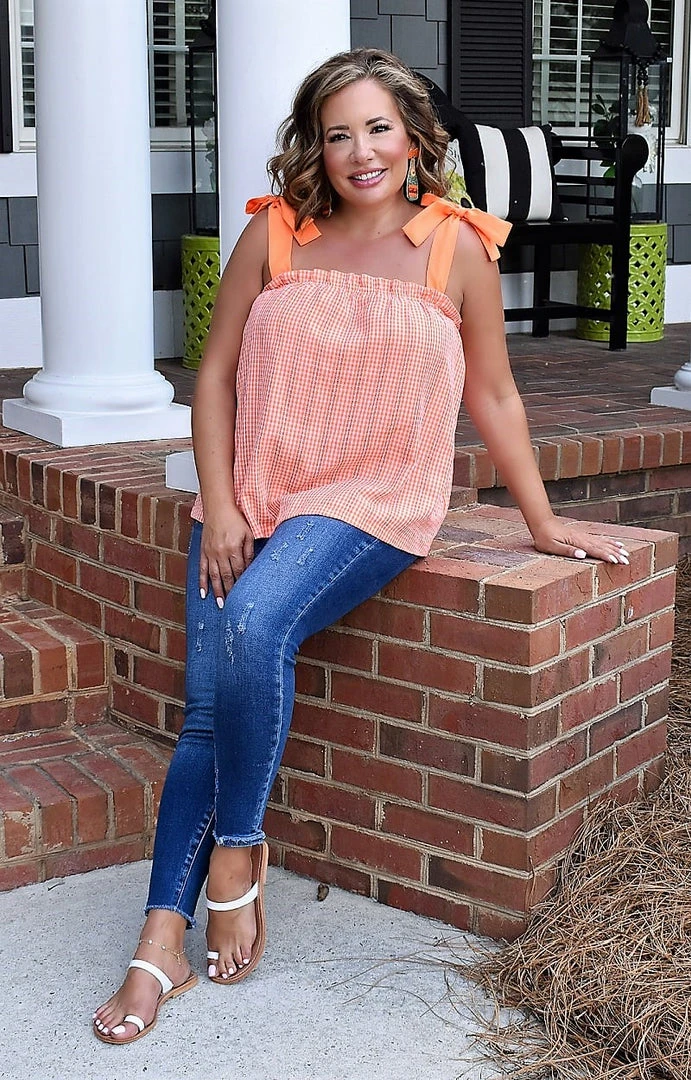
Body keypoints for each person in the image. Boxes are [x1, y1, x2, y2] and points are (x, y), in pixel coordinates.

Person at [93, 48, 629, 1044]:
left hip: (371, 501)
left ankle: (238, 856)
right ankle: (160, 940)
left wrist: (541, 520)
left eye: (378, 128)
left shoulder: (456, 246)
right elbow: (213, 378)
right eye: (337, 133)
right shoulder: (276, 232)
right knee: (206, 711)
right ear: (315, 146)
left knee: (255, 623)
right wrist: (222, 502)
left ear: (416, 138)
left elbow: (493, 392)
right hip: (254, 494)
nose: (359, 151)